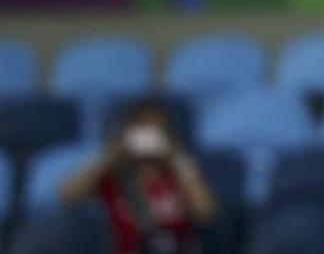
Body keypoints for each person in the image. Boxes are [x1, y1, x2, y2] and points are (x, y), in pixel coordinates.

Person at [61, 99, 216, 254]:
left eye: (157, 132)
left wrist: (178, 158)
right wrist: (109, 156)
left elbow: (206, 212)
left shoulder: (179, 174)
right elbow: (68, 196)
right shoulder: (114, 176)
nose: (149, 139)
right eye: (143, 130)